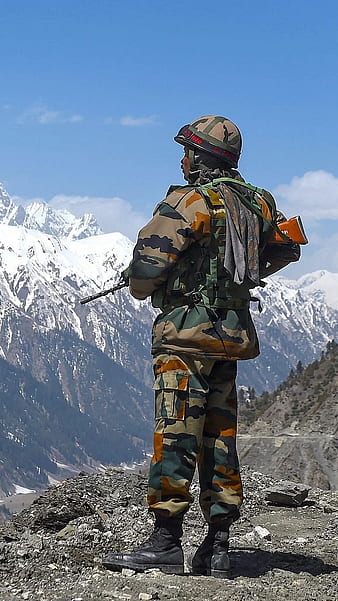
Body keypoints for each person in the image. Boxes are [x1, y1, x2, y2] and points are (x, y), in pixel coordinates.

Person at [103, 115, 300, 578]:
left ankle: (166, 542)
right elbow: (285, 249)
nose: (182, 159)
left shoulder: (189, 201)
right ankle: (219, 545)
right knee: (220, 437)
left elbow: (146, 270)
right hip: (230, 339)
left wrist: (159, 284)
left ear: (200, 157)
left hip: (185, 338)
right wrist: (236, 278)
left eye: (187, 151)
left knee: (177, 433)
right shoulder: (259, 203)